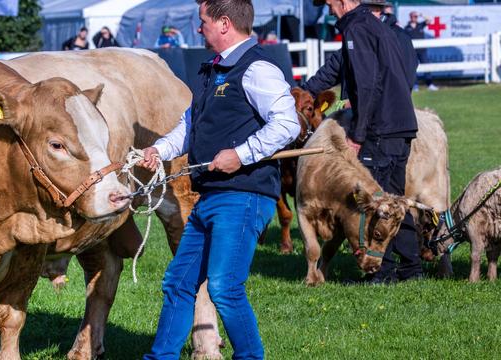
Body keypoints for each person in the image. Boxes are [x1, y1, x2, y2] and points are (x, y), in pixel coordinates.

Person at [140, 0, 301, 358]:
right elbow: (189, 126)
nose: (199, 28)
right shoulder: (211, 71)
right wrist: (159, 150)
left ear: (224, 23)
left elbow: (288, 123)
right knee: (178, 283)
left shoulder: (257, 68)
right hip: (211, 195)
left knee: (226, 288)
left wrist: (240, 154)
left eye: (203, 21)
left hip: (243, 195)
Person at [307, 0, 421, 284]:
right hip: (400, 124)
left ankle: (381, 272)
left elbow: (367, 85)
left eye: (331, 5)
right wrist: (306, 91)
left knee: (375, 203)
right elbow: (339, 67)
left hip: (380, 129)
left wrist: (358, 134)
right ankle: (410, 268)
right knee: (394, 199)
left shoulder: (357, 28)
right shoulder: (372, 27)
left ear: (345, 2)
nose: (329, 10)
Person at [405, 11, 438, 91]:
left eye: (416, 17)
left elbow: (430, 20)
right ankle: (415, 85)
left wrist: (421, 15)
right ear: (410, 17)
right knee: (413, 68)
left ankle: (429, 84)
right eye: (414, 16)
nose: (415, 18)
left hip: (422, 51)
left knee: (427, 66)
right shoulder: (406, 28)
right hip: (413, 51)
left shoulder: (421, 25)